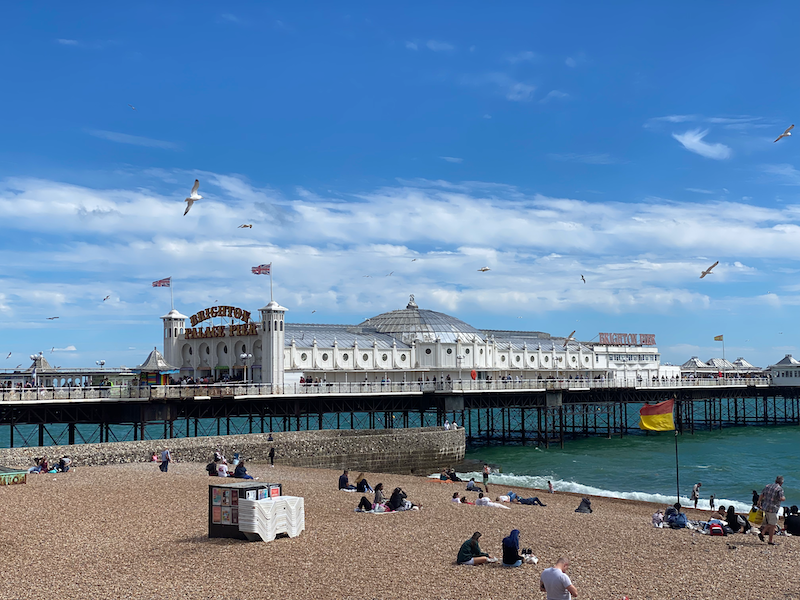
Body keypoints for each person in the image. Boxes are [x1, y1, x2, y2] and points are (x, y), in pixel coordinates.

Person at [758, 475, 786, 545]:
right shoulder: (779, 489)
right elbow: (781, 498)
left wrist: (759, 502)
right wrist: (784, 498)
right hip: (773, 508)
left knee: (771, 524)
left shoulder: (768, 486)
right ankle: (763, 533)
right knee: (773, 524)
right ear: (781, 483)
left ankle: (769, 539)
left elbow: (762, 495)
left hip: (765, 507)